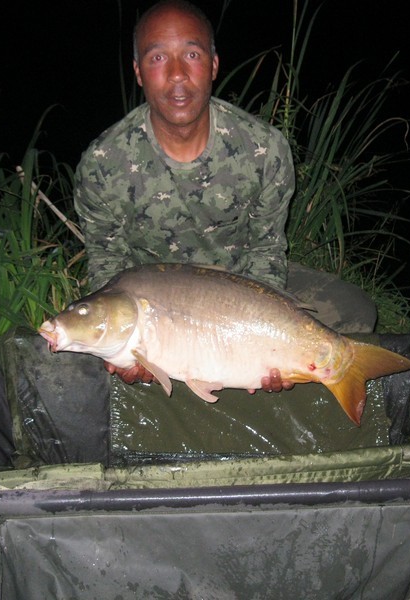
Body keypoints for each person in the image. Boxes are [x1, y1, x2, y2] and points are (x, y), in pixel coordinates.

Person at [74, 0, 376, 392]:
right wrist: (132, 347)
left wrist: (264, 340)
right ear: (138, 72)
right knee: (96, 346)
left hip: (242, 286)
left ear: (214, 65)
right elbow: (108, 266)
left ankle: (278, 367)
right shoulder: (102, 163)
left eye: (192, 55)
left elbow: (266, 251)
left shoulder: (264, 148)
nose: (177, 74)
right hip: (154, 304)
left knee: (355, 313)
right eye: (158, 57)